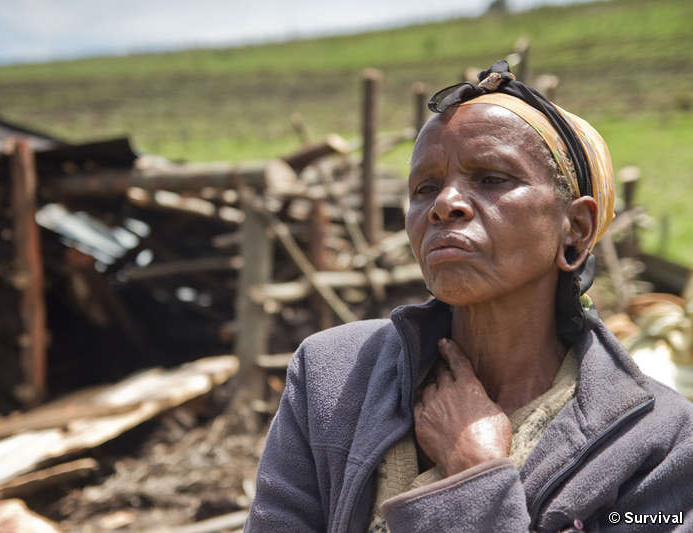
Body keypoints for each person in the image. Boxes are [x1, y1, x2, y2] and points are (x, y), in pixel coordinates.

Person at [244, 61, 693, 532]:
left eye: (492, 179)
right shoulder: (332, 377)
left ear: (575, 230)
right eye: (425, 187)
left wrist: (475, 475)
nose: (444, 204)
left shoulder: (659, 443)